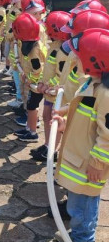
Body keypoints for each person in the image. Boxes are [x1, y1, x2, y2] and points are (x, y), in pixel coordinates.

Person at [52, 28, 109, 242]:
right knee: (77, 201)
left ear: (94, 60)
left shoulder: (105, 93)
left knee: (83, 204)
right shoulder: (92, 82)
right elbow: (81, 110)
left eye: (80, 55)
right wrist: (65, 118)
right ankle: (76, 235)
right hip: (79, 159)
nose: (76, 58)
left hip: (89, 164)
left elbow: (107, 133)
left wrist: (98, 162)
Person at [30, 11, 71, 162]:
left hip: (57, 94)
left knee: (54, 120)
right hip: (49, 92)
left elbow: (61, 75)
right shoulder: (54, 45)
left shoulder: (64, 51)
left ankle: (53, 150)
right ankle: (48, 145)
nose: (45, 31)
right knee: (46, 116)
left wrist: (48, 85)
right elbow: (48, 68)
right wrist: (42, 81)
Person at [12, 13, 47, 142]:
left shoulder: (34, 51)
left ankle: (32, 133)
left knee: (32, 107)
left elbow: (38, 70)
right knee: (29, 105)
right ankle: (28, 128)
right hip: (33, 82)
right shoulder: (29, 44)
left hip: (36, 85)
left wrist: (29, 79)